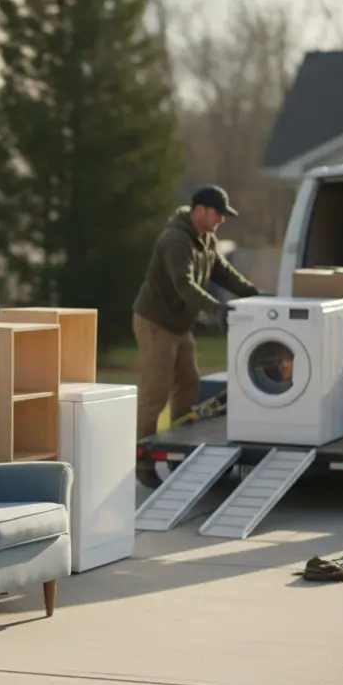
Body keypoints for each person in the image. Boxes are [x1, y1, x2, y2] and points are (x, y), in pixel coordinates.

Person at [132, 185, 261, 488]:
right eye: (219, 214)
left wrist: (256, 294)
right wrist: (217, 309)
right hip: (156, 323)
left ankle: (177, 450)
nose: (222, 220)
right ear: (200, 210)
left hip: (177, 326)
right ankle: (142, 460)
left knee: (190, 383)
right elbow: (184, 285)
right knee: (155, 394)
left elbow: (223, 272)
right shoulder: (175, 240)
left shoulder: (206, 239)